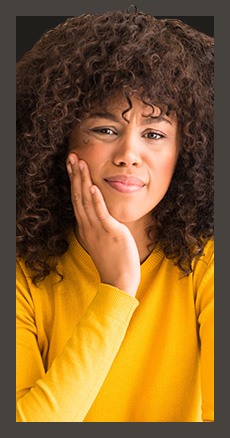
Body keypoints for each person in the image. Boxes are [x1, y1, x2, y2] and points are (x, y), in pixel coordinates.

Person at [16, 8, 214, 422]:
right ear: (58, 137)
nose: (128, 156)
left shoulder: (208, 261)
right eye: (105, 129)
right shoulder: (19, 272)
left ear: (185, 154)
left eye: (155, 134)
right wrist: (117, 289)